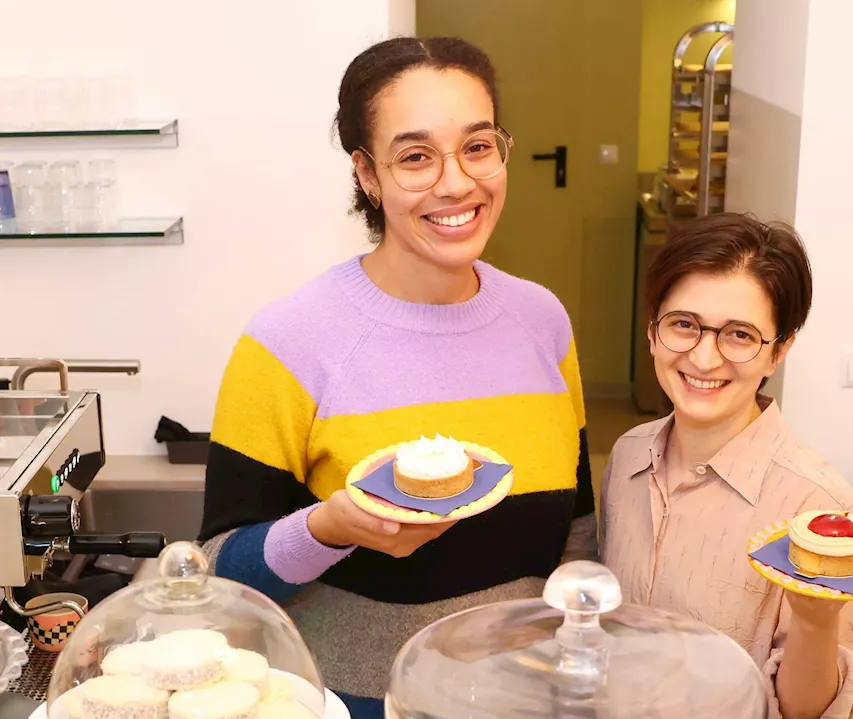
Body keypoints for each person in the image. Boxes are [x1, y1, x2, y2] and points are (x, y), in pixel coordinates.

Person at [198, 36, 595, 717]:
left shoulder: (544, 320)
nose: (456, 182)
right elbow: (215, 574)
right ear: (367, 174)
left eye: (477, 146)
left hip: (524, 700)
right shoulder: (288, 342)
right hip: (356, 704)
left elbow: (578, 528)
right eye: (415, 156)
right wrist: (331, 527)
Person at [599, 213, 853, 719]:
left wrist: (816, 625)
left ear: (779, 352)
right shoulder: (627, 456)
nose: (704, 359)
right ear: (652, 331)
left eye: (739, 335)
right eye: (684, 324)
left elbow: (811, 713)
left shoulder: (821, 509)